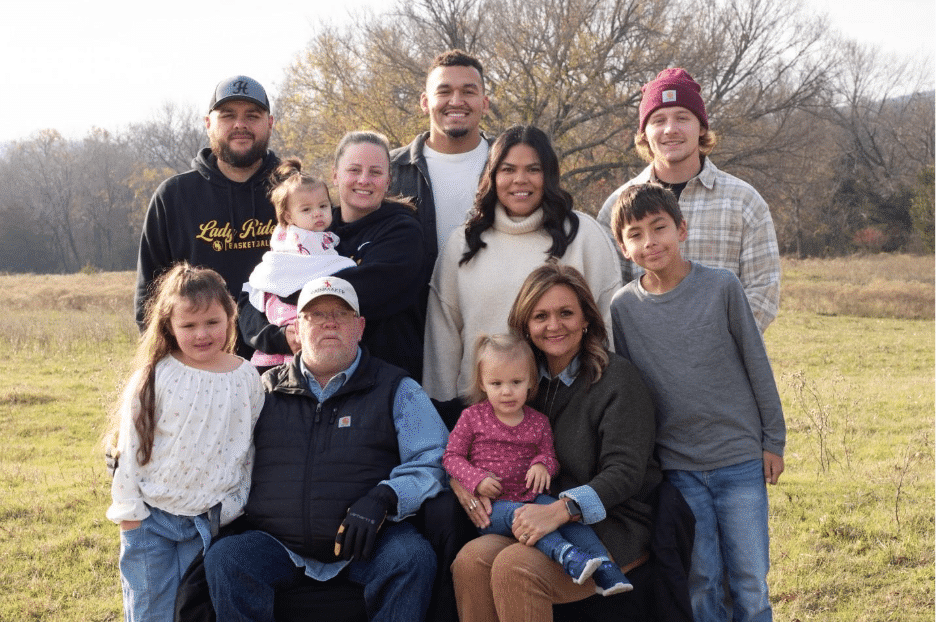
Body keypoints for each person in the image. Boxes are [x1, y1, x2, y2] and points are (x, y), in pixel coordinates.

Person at [203, 276, 449, 621]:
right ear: (297, 329)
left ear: (360, 327)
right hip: (277, 544)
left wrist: (385, 497)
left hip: (368, 545)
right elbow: (213, 445)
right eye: (316, 315)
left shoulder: (397, 388)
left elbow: (434, 459)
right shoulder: (261, 390)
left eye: (341, 314)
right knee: (227, 558)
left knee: (411, 557)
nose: (329, 322)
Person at [608, 183, 786, 622]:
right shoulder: (623, 308)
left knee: (749, 578)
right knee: (702, 579)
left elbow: (756, 364)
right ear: (623, 247)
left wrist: (773, 440)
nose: (650, 242)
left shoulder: (721, 287)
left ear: (681, 229)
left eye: (659, 228)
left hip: (739, 459)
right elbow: (635, 394)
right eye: (635, 234)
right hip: (680, 468)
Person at [450, 263, 662, 622]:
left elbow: (625, 472)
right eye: (540, 316)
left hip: (608, 525)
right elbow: (466, 446)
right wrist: (463, 485)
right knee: (471, 560)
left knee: (515, 566)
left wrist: (559, 511)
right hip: (532, 514)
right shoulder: (519, 381)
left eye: (566, 313)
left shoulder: (617, 380)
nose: (553, 325)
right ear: (526, 326)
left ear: (586, 320)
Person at [105, 263, 264, 621]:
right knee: (150, 610)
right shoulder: (155, 376)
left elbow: (247, 450)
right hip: (150, 519)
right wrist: (129, 515)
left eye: (212, 322)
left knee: (189, 610)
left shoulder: (246, 378)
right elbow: (128, 450)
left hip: (204, 522)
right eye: (188, 326)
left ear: (230, 315)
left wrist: (233, 506)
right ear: (169, 326)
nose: (201, 334)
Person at [423, 125, 621, 407]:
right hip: (480, 416)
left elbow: (609, 328)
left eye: (533, 169)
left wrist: (604, 403)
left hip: (568, 408)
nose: (520, 180)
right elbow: (441, 341)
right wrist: (442, 412)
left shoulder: (583, 235)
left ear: (549, 175)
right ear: (492, 175)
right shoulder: (463, 243)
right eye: (508, 170)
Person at [444, 333, 633, 597]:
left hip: (533, 498)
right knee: (520, 515)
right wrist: (475, 479)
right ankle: (566, 555)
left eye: (516, 381)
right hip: (495, 511)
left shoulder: (538, 422)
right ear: (483, 384)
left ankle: (605, 568)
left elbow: (550, 457)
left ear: (531, 382)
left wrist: (542, 465)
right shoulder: (473, 418)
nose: (506, 391)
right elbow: (451, 457)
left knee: (569, 521)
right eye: (496, 383)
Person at [595, 68, 780, 332]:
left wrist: (709, 342)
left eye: (682, 117)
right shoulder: (617, 206)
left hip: (722, 364)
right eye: (658, 120)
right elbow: (608, 294)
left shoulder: (744, 202)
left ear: (701, 126)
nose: (670, 129)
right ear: (644, 132)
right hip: (643, 364)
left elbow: (764, 291)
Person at [239, 131, 426, 379]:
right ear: (335, 175)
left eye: (376, 172)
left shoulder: (403, 233)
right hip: (310, 384)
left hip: (377, 384)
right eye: (354, 170)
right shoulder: (310, 229)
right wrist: (280, 338)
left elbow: (354, 294)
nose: (364, 179)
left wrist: (284, 286)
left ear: (389, 180)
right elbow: (254, 294)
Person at [135, 75, 278, 357]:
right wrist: (172, 365)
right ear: (208, 123)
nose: (240, 125)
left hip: (285, 370)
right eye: (228, 116)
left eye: (252, 115)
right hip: (200, 369)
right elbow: (149, 299)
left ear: (269, 123)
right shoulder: (174, 196)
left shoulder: (297, 192)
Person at [390, 49, 493, 285]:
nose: (456, 101)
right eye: (444, 92)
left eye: (468, 91)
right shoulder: (390, 171)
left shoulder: (511, 165)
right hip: (416, 317)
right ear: (425, 102)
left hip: (501, 314)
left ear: (484, 103)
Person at [243, 157, 356, 368]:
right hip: (286, 326)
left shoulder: (327, 242)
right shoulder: (290, 244)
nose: (317, 214)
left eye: (323, 206)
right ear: (288, 216)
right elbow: (279, 273)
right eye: (306, 210)